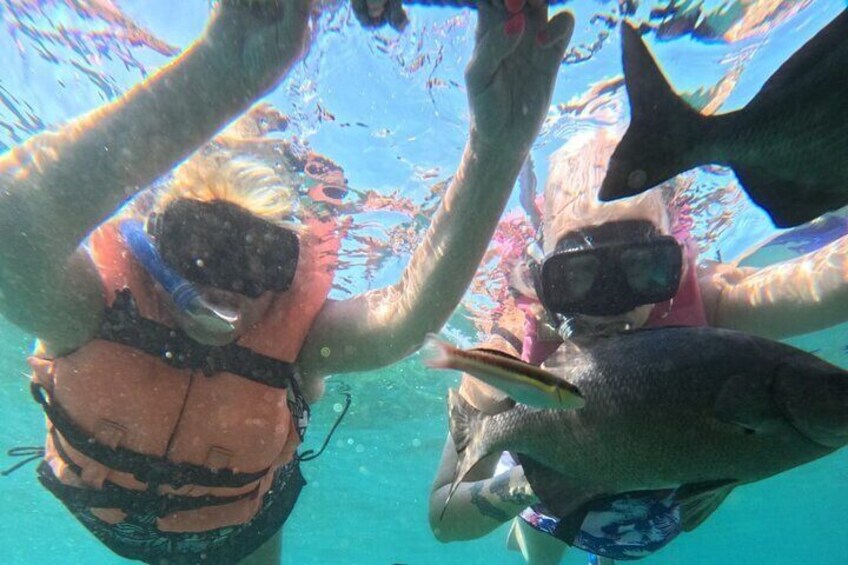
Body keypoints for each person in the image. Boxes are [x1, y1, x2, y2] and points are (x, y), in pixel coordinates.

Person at [0, 0, 574, 563]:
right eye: (196, 243)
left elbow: (403, 319)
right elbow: (11, 225)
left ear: (287, 274)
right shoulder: (92, 308)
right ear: (156, 241)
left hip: (239, 533)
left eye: (261, 258)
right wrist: (222, 73)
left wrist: (497, 150)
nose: (224, 281)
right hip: (109, 515)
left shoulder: (299, 342)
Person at [428, 125, 848, 564]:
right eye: (578, 275)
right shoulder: (508, 358)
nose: (613, 303)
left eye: (645, 269)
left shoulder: (712, 307)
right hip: (550, 512)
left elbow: (828, 283)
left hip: (646, 524)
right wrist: (542, 482)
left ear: (674, 256)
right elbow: (444, 518)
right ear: (543, 272)